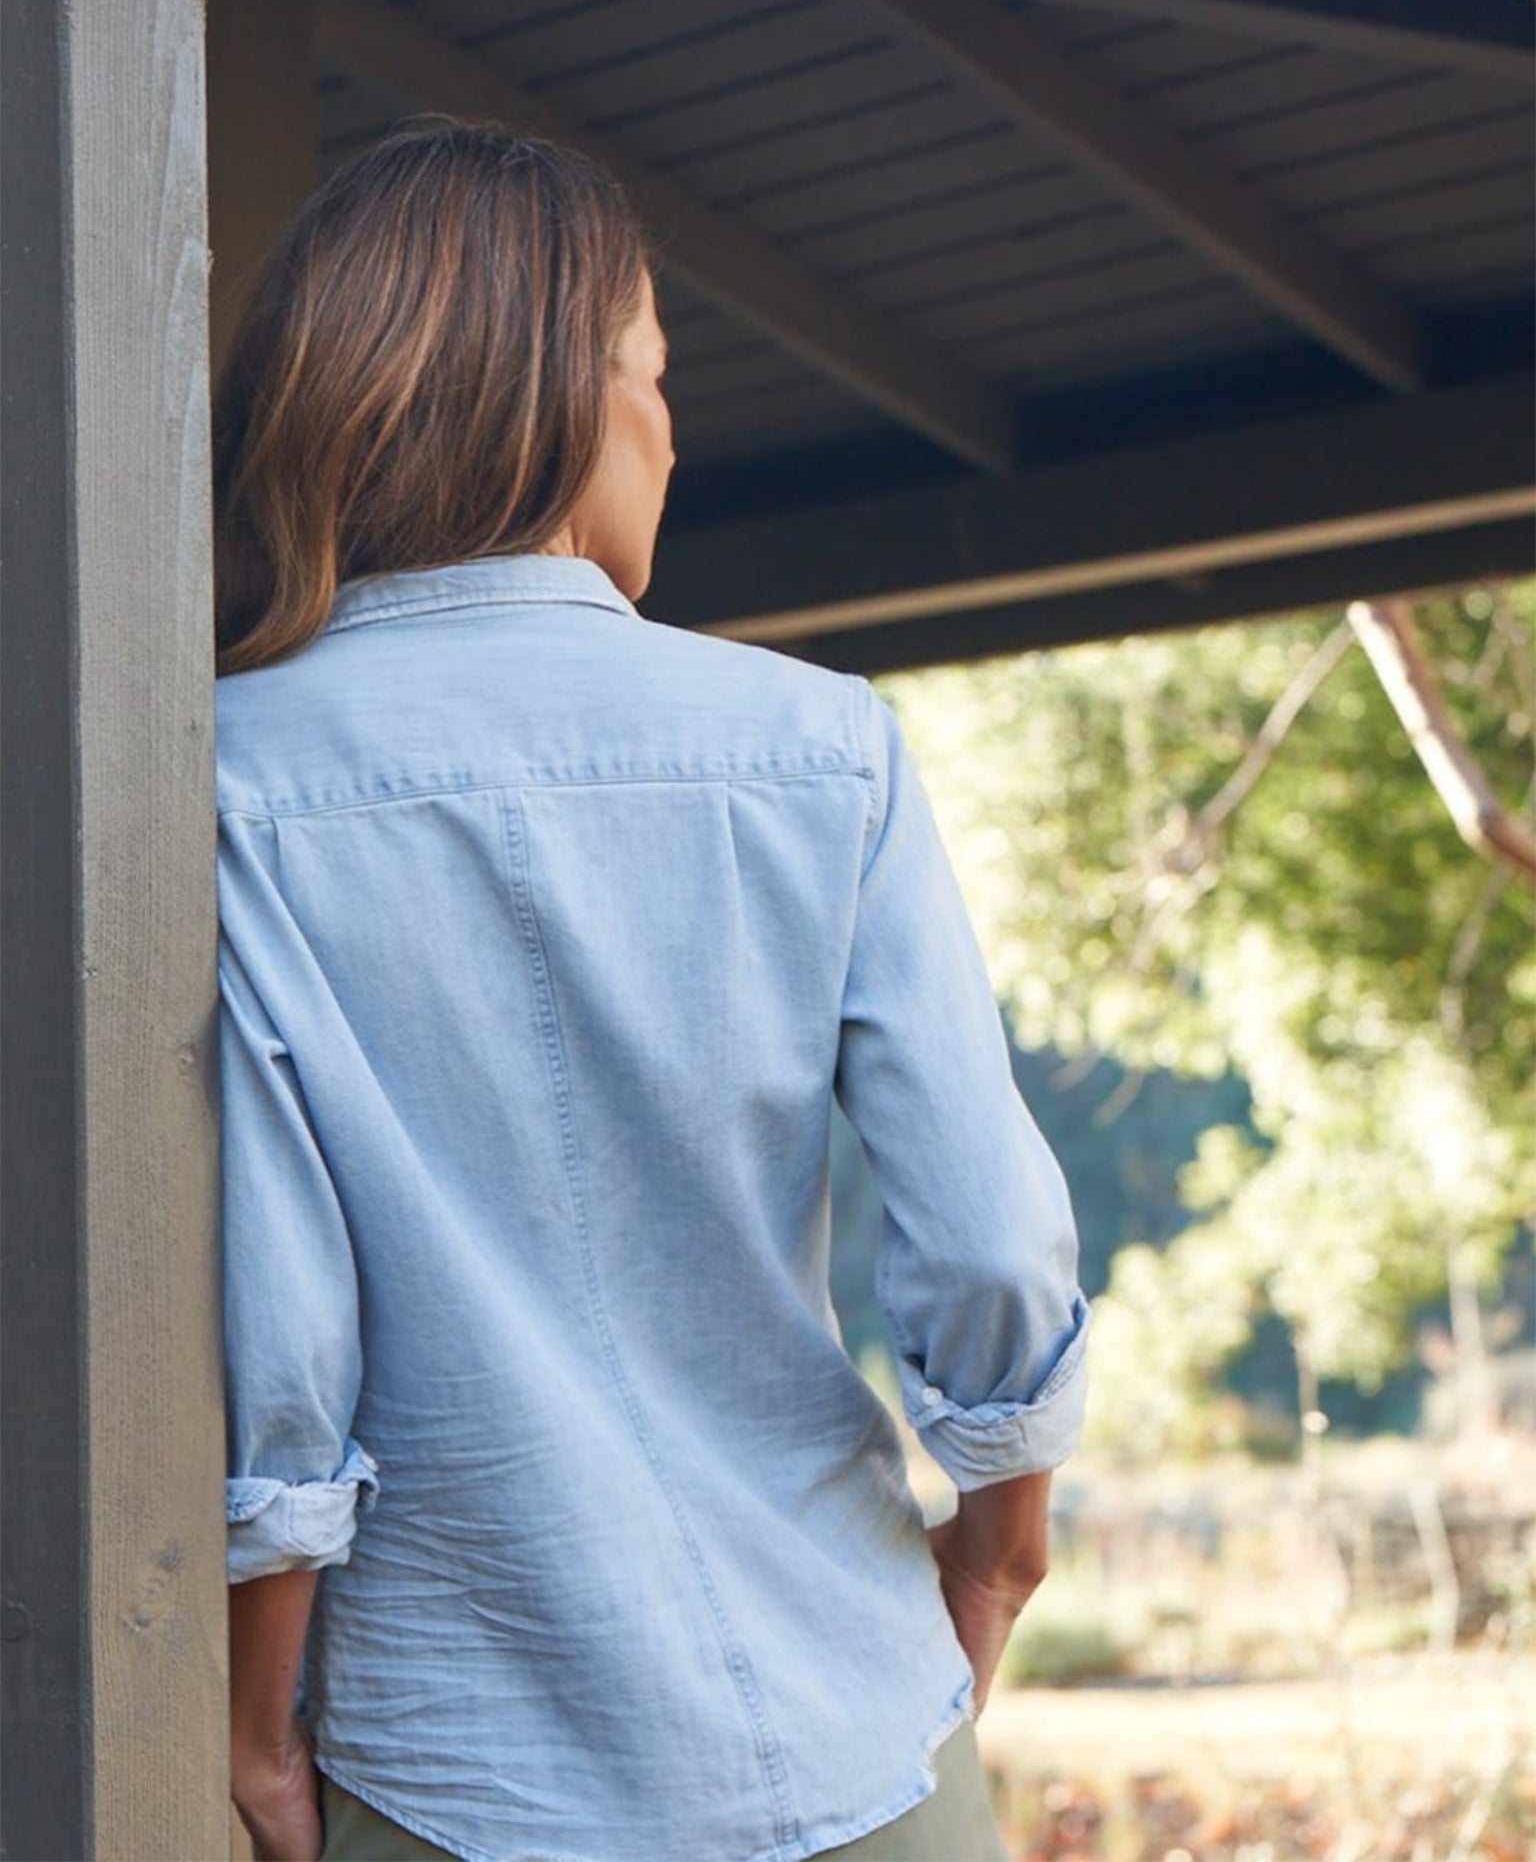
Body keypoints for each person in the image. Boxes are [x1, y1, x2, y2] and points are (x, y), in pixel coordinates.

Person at [217, 116, 1092, 1862]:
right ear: (559, 395)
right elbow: (989, 1239)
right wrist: (998, 1555)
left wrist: (257, 1730)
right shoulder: (821, 750)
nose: (673, 431)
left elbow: (284, 1324)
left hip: (450, 1766)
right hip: (864, 1726)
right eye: (655, 372)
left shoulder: (221, 785)